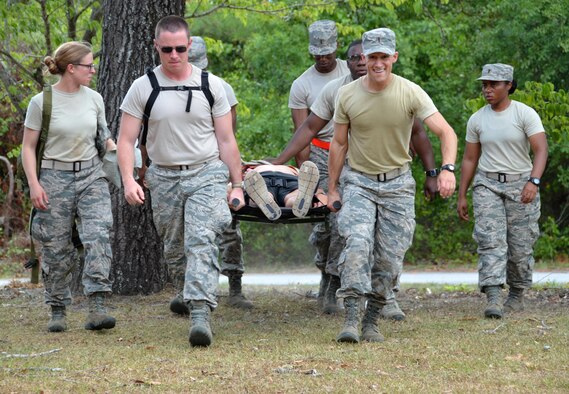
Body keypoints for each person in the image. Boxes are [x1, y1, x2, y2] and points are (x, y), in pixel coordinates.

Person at [275, 39, 440, 318]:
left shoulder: (400, 89)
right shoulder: (338, 91)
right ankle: (333, 284)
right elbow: (310, 127)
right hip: (342, 166)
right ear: (349, 62)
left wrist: (432, 172)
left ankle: (386, 296)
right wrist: (279, 161)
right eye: (358, 58)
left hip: (389, 173)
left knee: (388, 240)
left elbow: (419, 133)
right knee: (341, 231)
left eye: (370, 58)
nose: (364, 64)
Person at [117, 16, 245, 347]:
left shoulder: (212, 85)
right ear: (156, 48)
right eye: (167, 49)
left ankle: (201, 314)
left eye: (180, 49)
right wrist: (129, 180)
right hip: (164, 176)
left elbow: (227, 140)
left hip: (207, 172)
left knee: (201, 240)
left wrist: (237, 183)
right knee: (175, 248)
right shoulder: (142, 87)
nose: (174, 55)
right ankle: (184, 289)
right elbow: (126, 139)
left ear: (189, 47)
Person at [327, 28, 457, 343]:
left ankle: (372, 321)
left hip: (397, 184)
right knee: (357, 245)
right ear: (363, 59)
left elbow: (446, 132)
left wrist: (447, 170)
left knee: (389, 258)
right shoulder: (347, 94)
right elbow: (339, 144)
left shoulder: (410, 92)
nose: (378, 63)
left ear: (394, 57)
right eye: (372, 57)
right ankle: (352, 320)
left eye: (384, 57)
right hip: (358, 181)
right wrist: (332, 188)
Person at [21, 41, 116, 333]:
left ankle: (98, 305)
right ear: (71, 68)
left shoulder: (95, 99)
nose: (93, 69)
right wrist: (35, 185)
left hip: (91, 175)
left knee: (98, 234)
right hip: (53, 178)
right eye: (88, 65)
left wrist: (123, 157)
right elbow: (27, 147)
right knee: (56, 247)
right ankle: (58, 308)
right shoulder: (42, 102)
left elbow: (104, 138)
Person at [165, 36, 252, 313]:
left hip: (215, 166)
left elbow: (229, 134)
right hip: (179, 169)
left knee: (228, 228)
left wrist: (230, 174)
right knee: (183, 235)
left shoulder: (219, 87)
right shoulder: (165, 85)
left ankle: (235, 286)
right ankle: (187, 290)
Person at [457, 64, 548, 319]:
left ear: (508, 85)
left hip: (521, 184)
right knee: (490, 240)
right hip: (487, 184)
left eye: (493, 84)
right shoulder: (477, 118)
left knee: (520, 246)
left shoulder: (524, 114)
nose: (487, 89)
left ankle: (517, 294)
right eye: (484, 85)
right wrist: (462, 194)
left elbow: (541, 149)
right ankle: (494, 296)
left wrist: (534, 181)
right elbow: (469, 159)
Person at [288, 20, 350, 308]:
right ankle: (325, 272)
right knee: (326, 222)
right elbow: (303, 134)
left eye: (327, 52)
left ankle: (336, 280)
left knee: (343, 221)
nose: (323, 58)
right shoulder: (302, 85)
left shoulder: (352, 73)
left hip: (353, 153)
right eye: (317, 53)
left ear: (336, 47)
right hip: (320, 157)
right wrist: (307, 178)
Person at [242, 161, 321, 220]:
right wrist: (319, 195)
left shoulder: (251, 168)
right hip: (290, 179)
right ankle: (296, 201)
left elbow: (238, 184)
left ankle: (265, 198)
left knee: (258, 196)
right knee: (293, 196)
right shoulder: (291, 168)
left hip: (262, 178)